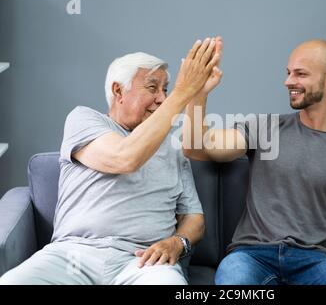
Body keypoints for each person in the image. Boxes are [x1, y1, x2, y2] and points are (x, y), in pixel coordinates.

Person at [0, 38, 221, 285]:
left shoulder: (173, 149)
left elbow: (194, 218)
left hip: (143, 262)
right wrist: (182, 93)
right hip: (72, 255)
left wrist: (177, 242)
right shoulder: (83, 120)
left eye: (166, 89)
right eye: (152, 87)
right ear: (118, 91)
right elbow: (125, 158)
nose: (161, 98)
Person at [183, 38, 326, 285]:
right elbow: (196, 147)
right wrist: (198, 92)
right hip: (251, 256)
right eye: (288, 73)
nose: (288, 81)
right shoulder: (266, 129)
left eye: (300, 74)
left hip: (316, 261)